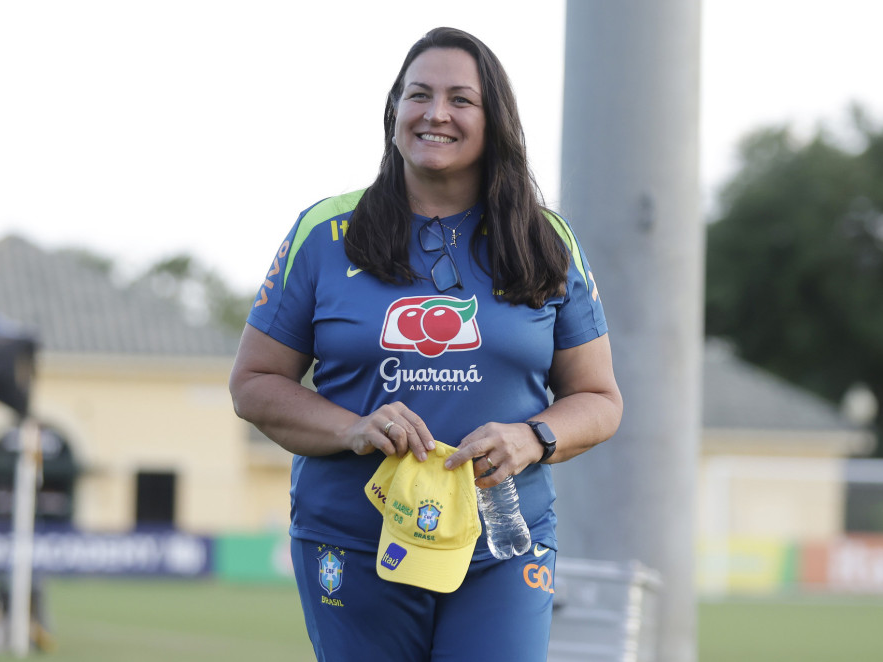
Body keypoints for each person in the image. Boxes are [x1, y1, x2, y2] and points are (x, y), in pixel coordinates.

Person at [229, 26, 623, 662]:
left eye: (461, 99)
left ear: (494, 120)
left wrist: (532, 438)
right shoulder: (325, 232)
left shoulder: (544, 239)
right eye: (419, 95)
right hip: (355, 539)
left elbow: (599, 398)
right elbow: (253, 385)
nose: (436, 113)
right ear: (394, 112)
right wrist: (353, 428)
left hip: (500, 541)